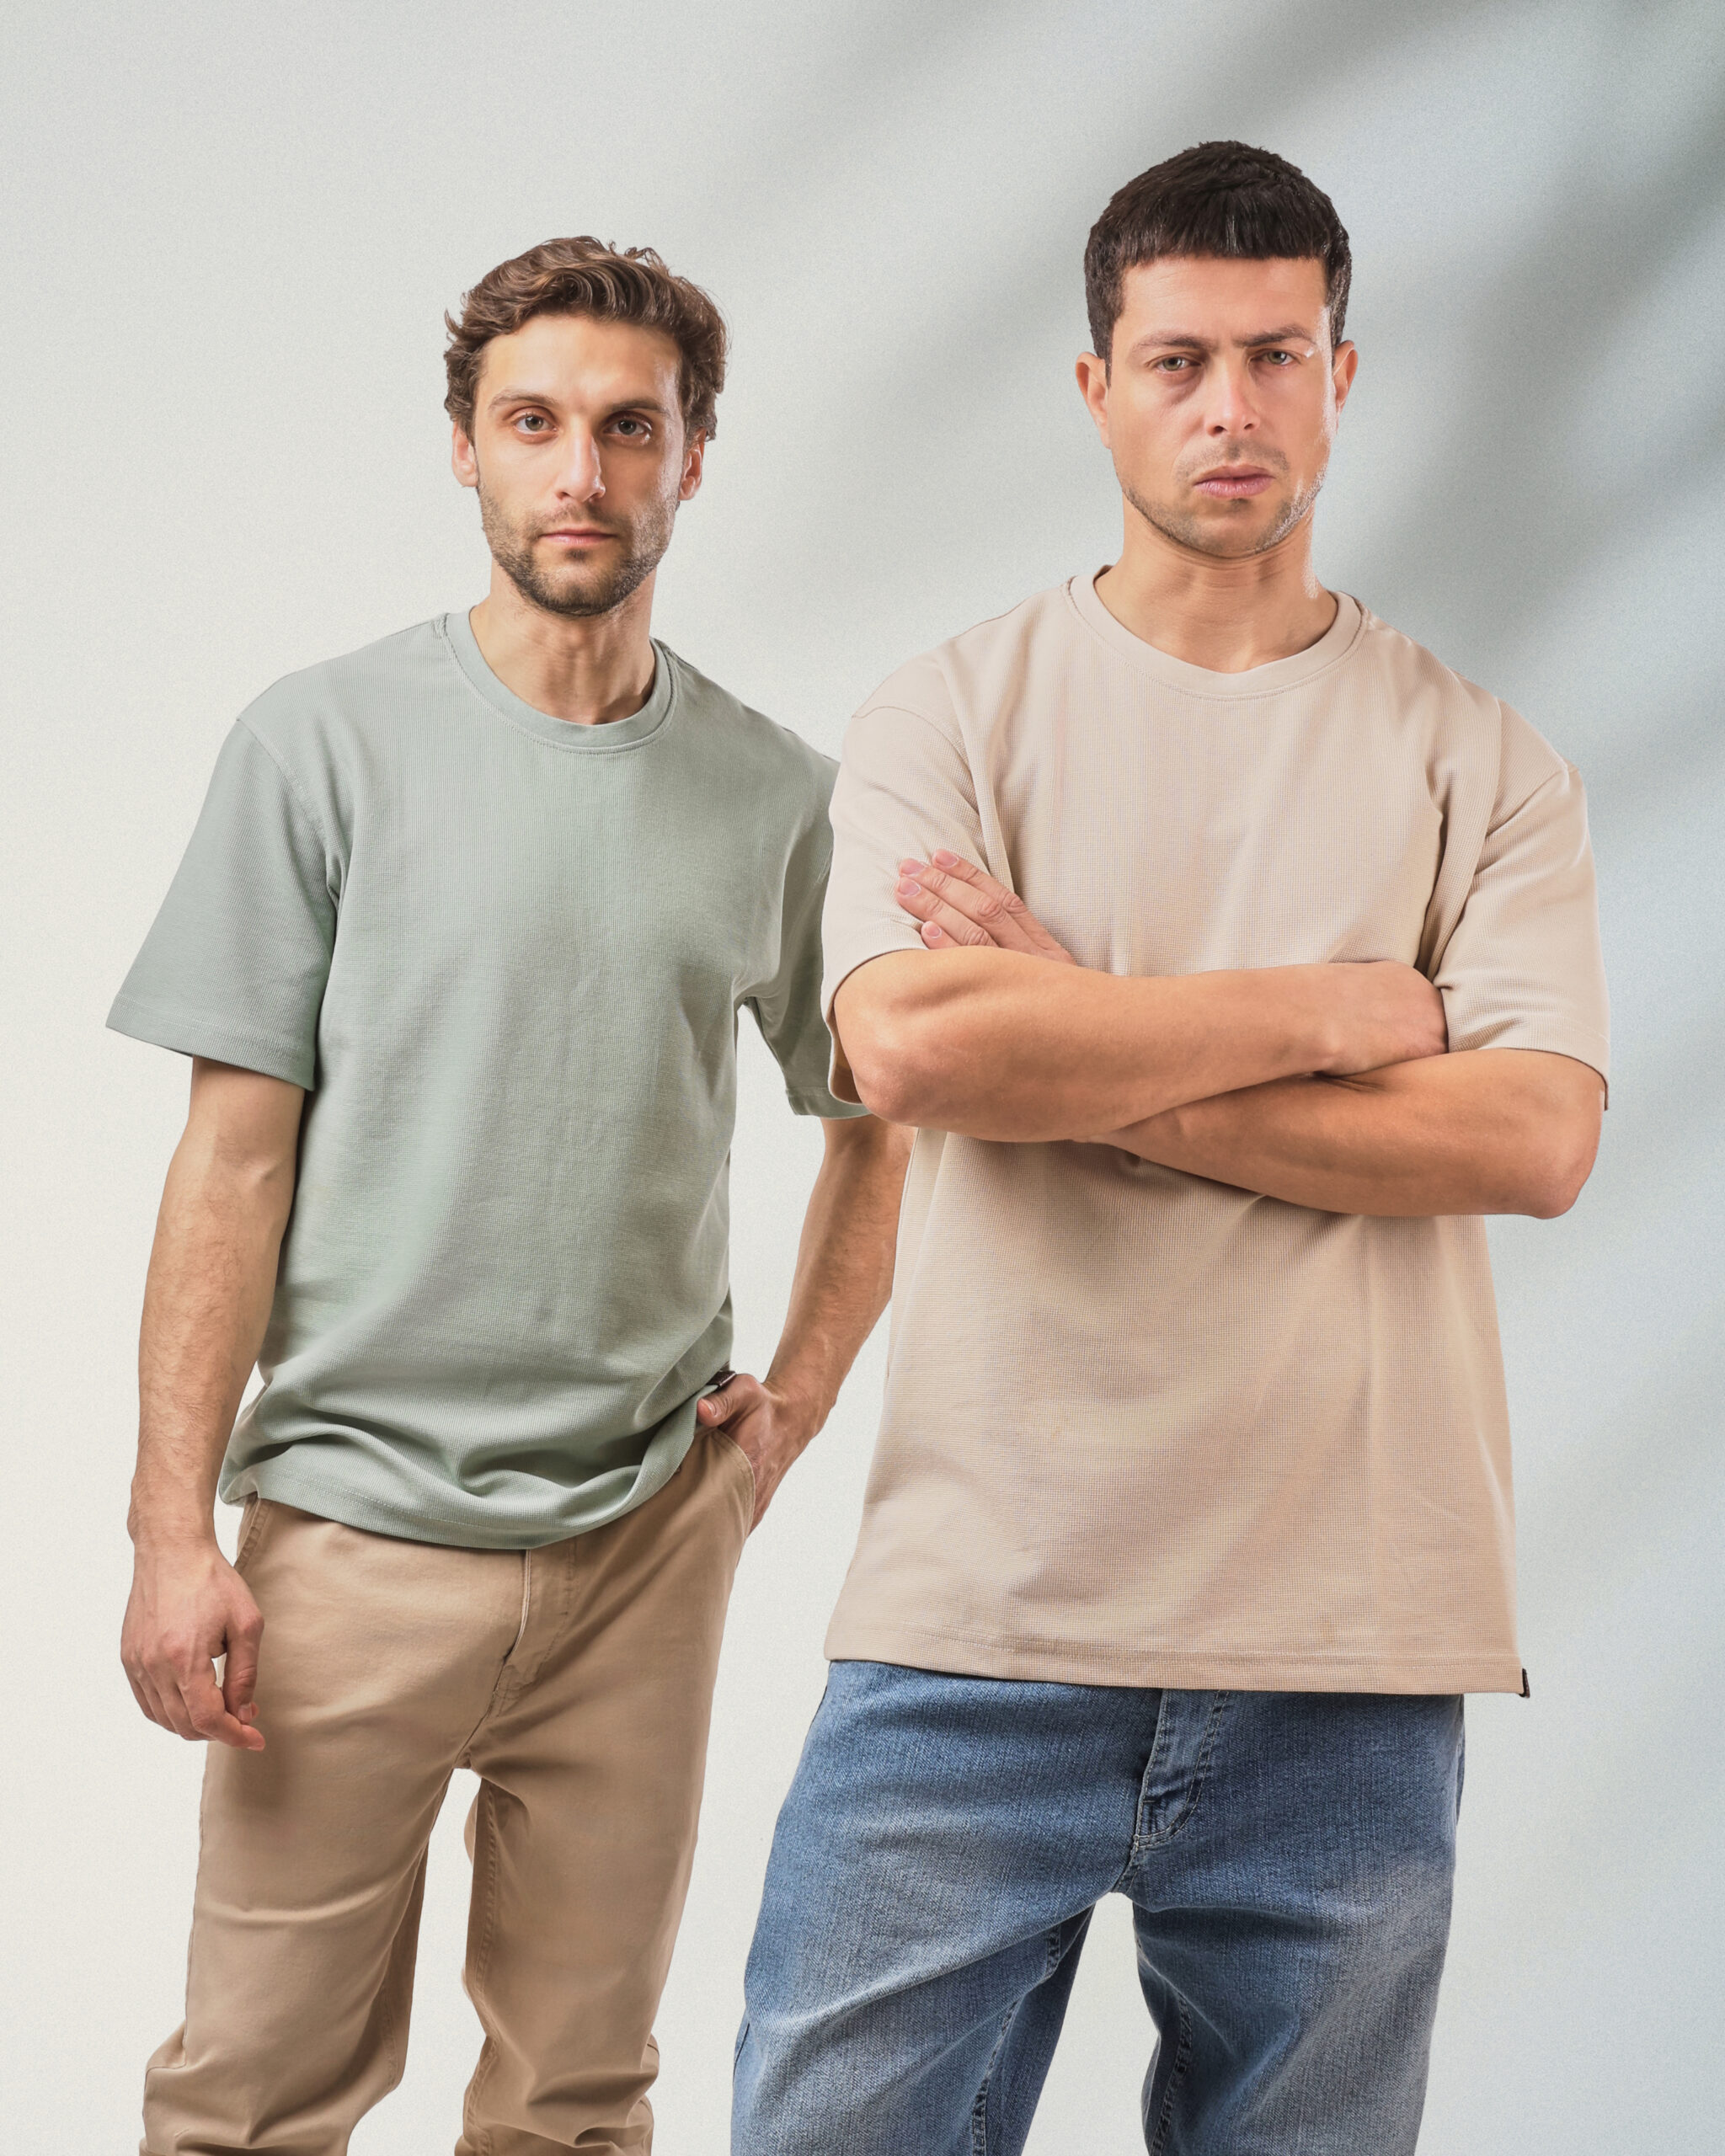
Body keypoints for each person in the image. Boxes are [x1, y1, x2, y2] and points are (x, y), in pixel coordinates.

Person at [732, 141, 1609, 2156]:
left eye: (1276, 356)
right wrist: (1333, 1008)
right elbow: (914, 1039)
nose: (1231, 406)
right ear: (1096, 385)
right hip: (979, 1620)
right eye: (1179, 360)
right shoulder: (951, 710)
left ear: (1341, 376)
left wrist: (1079, 1035)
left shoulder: (1480, 758)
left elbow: (1531, 1131)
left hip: (1348, 1641)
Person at [110, 235, 911, 2156]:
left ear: (692, 459)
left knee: (577, 2105)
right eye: (534, 423)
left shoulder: (780, 797)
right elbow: (230, 1159)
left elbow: (880, 1121)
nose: (582, 473)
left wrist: (794, 1400)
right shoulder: (320, 743)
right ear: (463, 447)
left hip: (647, 1536)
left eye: (629, 429)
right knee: (248, 2103)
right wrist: (167, 1530)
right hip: (347, 1535)